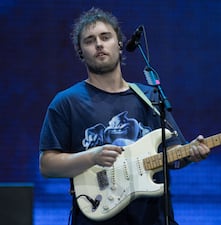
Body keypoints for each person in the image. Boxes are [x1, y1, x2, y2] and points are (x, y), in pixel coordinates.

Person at [39, 7, 210, 225]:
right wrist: (92, 156)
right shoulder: (66, 102)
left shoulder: (150, 97)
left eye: (105, 37)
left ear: (119, 44)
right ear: (80, 51)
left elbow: (172, 154)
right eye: (90, 40)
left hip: (153, 217)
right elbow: (47, 165)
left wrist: (190, 152)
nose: (99, 44)